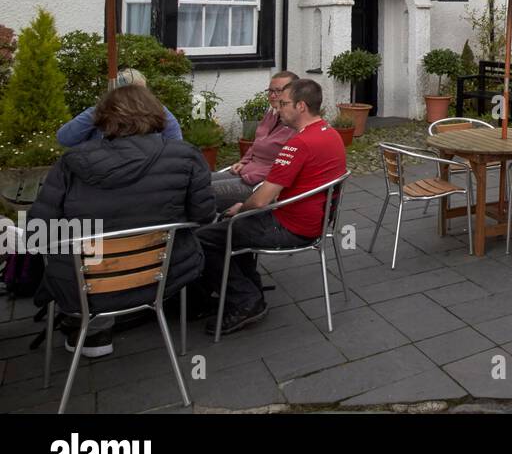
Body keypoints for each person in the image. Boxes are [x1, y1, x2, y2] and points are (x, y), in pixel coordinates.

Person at [27, 84, 214, 358]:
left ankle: (91, 329)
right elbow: (204, 216)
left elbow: (37, 234)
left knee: (80, 242)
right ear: (157, 114)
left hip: (84, 287)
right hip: (162, 277)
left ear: (102, 118)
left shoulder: (72, 162)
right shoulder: (185, 155)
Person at [195, 78, 346, 337]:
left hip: (290, 226)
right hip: (316, 222)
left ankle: (245, 301)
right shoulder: (330, 133)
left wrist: (241, 208)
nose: (279, 108)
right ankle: (249, 288)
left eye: (284, 103)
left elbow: (262, 199)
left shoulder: (298, 144)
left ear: (301, 106)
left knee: (204, 237)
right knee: (231, 228)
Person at [209, 71, 298, 207]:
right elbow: (257, 143)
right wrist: (243, 162)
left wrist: (253, 172)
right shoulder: (271, 115)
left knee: (203, 192)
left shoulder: (295, 125)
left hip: (260, 184)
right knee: (197, 181)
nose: (273, 95)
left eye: (279, 91)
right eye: (270, 91)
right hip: (247, 172)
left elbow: (284, 167)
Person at [56, 67, 182, 147]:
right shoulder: (100, 111)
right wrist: (99, 111)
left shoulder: (160, 112)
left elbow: (175, 147)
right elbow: (65, 138)